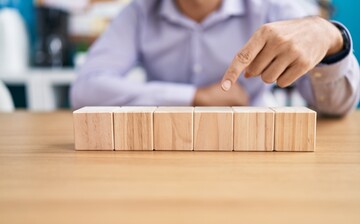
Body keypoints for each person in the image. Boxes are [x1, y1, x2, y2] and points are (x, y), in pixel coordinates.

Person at [71, 0, 360, 116]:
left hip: (255, 151)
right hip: (162, 152)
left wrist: (333, 39)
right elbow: (86, 90)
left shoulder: (274, 7)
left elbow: (336, 108)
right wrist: (194, 96)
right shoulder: (139, 12)